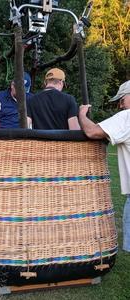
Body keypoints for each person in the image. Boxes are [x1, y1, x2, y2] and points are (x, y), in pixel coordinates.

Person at [79, 80, 130, 252]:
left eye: (122, 100)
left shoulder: (127, 117)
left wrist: (82, 114)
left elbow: (92, 132)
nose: (120, 105)